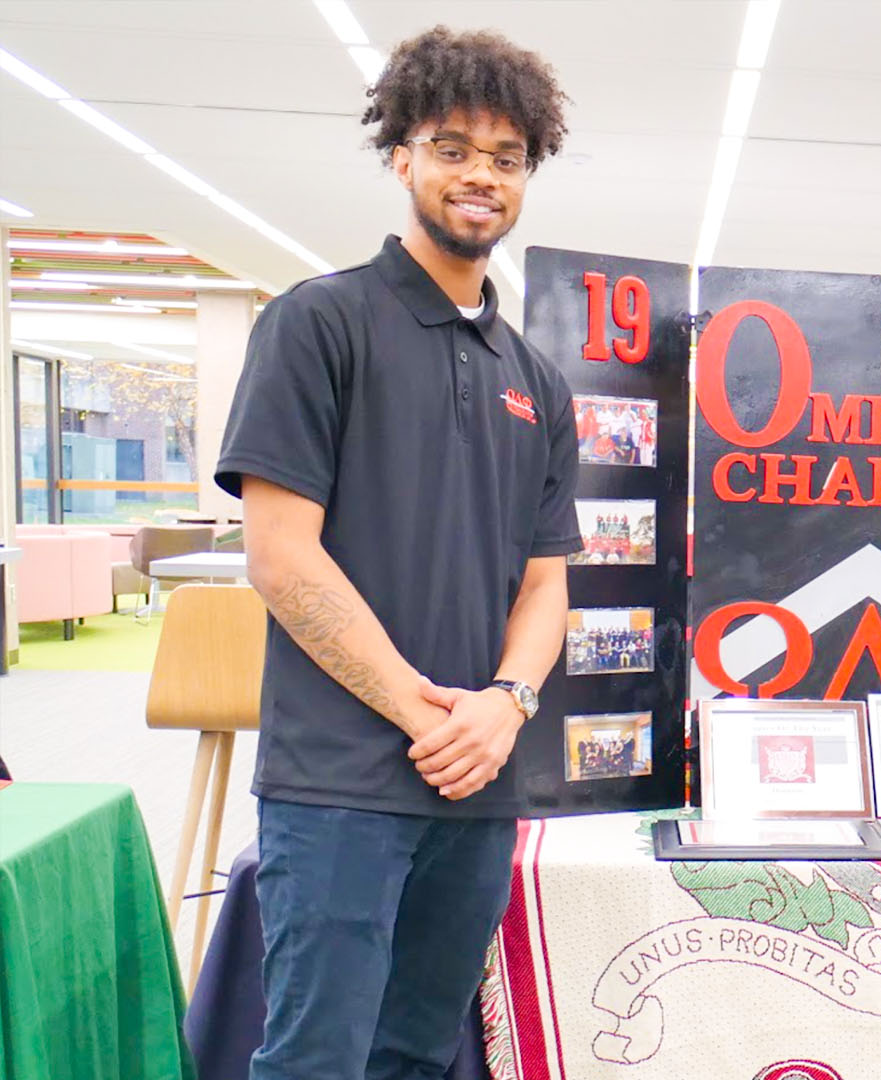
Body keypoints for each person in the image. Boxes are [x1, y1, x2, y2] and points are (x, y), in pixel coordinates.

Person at [215, 27, 579, 1080]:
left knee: (419, 1054)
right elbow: (283, 561)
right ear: (401, 156)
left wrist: (503, 703)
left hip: (479, 782)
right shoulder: (318, 325)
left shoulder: (536, 380)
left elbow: (548, 582)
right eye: (453, 146)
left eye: (506, 159)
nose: (480, 175)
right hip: (340, 782)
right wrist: (427, 711)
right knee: (316, 1057)